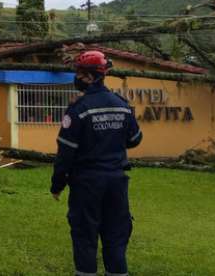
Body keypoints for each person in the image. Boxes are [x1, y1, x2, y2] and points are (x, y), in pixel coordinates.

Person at [50, 50, 143, 276]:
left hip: (86, 184)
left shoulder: (79, 109)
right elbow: (135, 139)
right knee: (116, 236)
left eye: (80, 74)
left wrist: (57, 185)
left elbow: (65, 154)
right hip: (116, 184)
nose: (77, 79)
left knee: (85, 236)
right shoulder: (122, 105)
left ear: (91, 77)